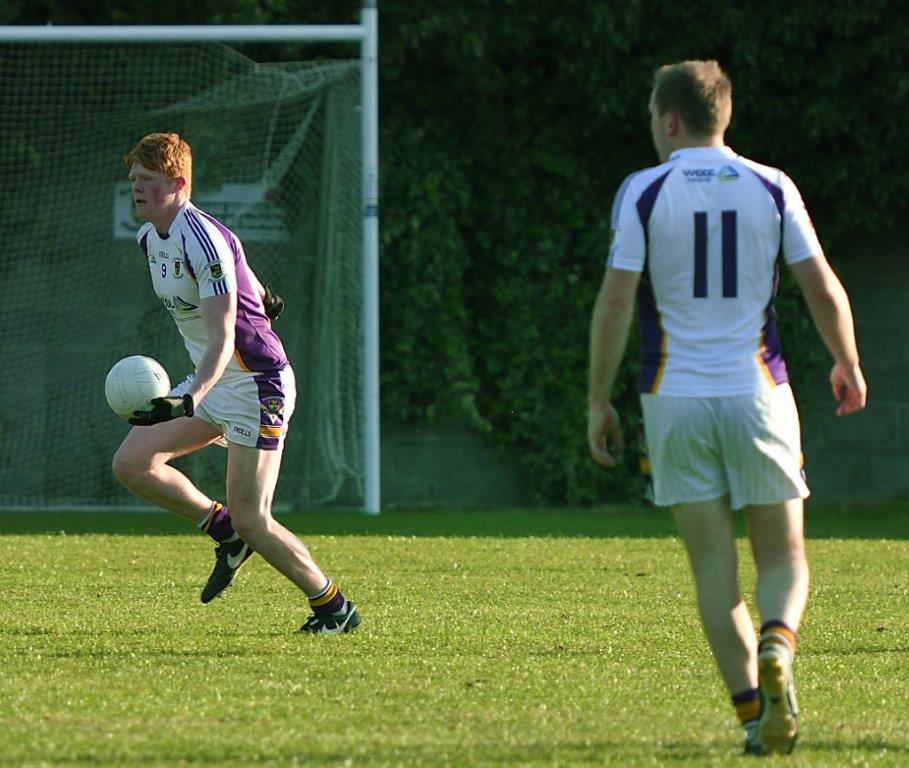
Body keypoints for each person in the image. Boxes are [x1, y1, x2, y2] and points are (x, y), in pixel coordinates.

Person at [587, 61, 866, 755]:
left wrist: (597, 398)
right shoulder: (772, 185)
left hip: (673, 398)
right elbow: (820, 286)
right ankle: (779, 644)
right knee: (785, 558)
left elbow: (617, 301)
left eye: (653, 117)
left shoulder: (641, 191)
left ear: (670, 119)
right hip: (757, 392)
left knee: (713, 567)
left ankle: (752, 719)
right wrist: (848, 362)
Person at [113, 132, 360, 635]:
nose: (136, 187)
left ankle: (333, 609)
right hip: (215, 382)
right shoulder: (149, 239)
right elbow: (227, 280)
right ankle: (223, 531)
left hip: (256, 385)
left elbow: (224, 334)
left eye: (148, 180)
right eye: (133, 178)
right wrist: (259, 293)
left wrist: (188, 399)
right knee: (133, 464)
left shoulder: (202, 237)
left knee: (255, 517)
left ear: (179, 184)